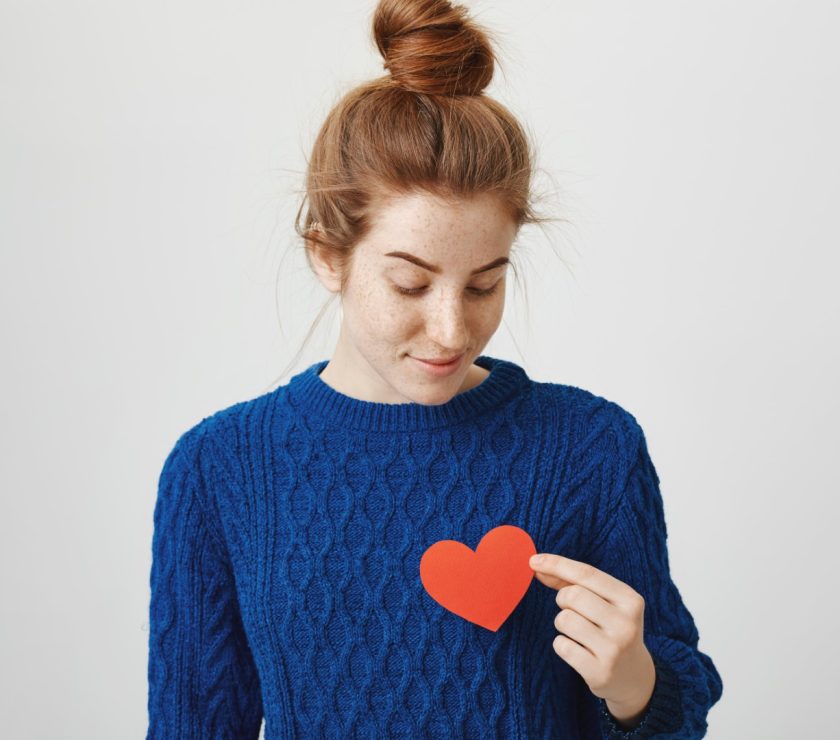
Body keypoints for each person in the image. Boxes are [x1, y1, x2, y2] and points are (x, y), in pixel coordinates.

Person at [145, 0, 723, 737]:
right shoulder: (219, 468)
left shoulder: (590, 446)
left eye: (485, 283)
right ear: (328, 254)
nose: (453, 329)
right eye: (410, 284)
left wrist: (636, 686)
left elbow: (677, 702)